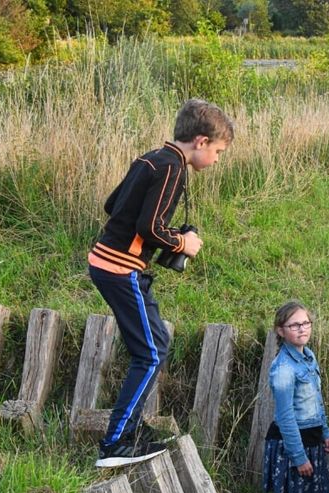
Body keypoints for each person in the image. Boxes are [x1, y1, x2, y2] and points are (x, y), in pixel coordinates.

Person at [89, 99, 233, 468]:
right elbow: (149, 228)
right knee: (151, 353)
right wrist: (182, 242)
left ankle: (128, 430)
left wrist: (162, 235)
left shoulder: (150, 157)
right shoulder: (173, 168)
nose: (217, 160)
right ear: (201, 142)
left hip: (107, 262)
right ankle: (116, 442)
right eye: (218, 151)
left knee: (156, 344)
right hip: (121, 269)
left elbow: (112, 205)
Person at [263, 300, 329, 493]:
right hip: (292, 443)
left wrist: (325, 432)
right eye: (294, 325)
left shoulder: (308, 356)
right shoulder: (283, 368)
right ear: (281, 331)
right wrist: (298, 456)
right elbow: (285, 417)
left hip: (312, 436)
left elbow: (316, 400)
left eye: (306, 323)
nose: (302, 329)